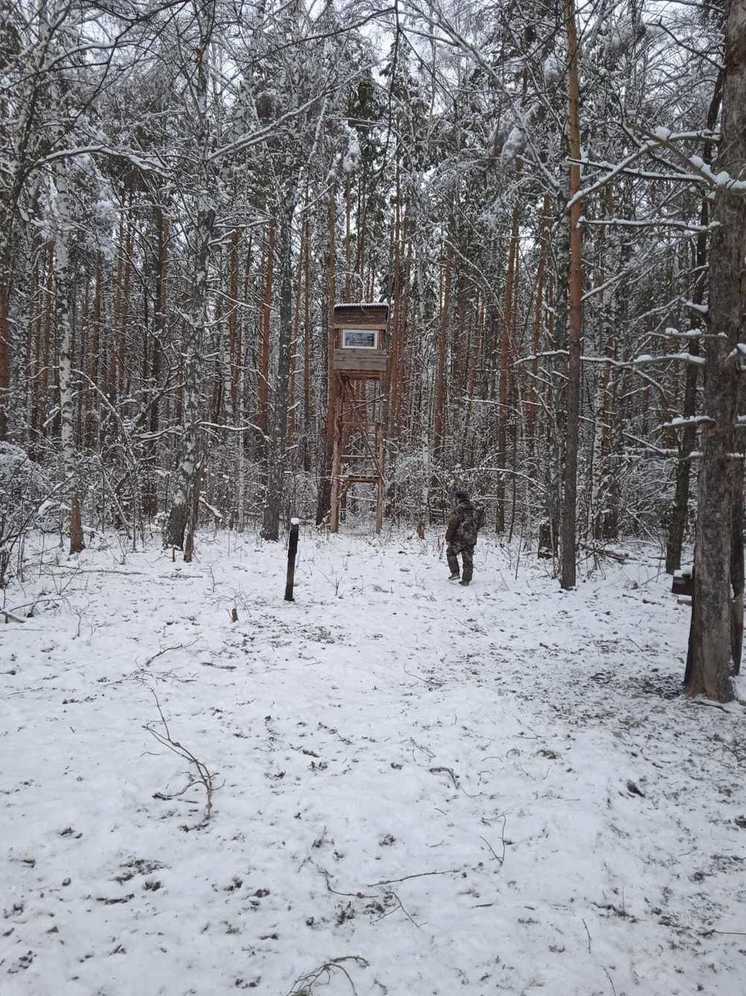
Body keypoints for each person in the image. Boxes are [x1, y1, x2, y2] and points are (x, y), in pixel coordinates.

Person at [446, 490, 479, 586]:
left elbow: (453, 524)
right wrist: (473, 531)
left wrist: (448, 537)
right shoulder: (474, 509)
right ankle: (466, 580)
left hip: (459, 538)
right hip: (471, 538)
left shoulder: (459, 509)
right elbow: (481, 523)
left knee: (450, 552)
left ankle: (455, 573)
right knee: (468, 558)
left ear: (458, 498)